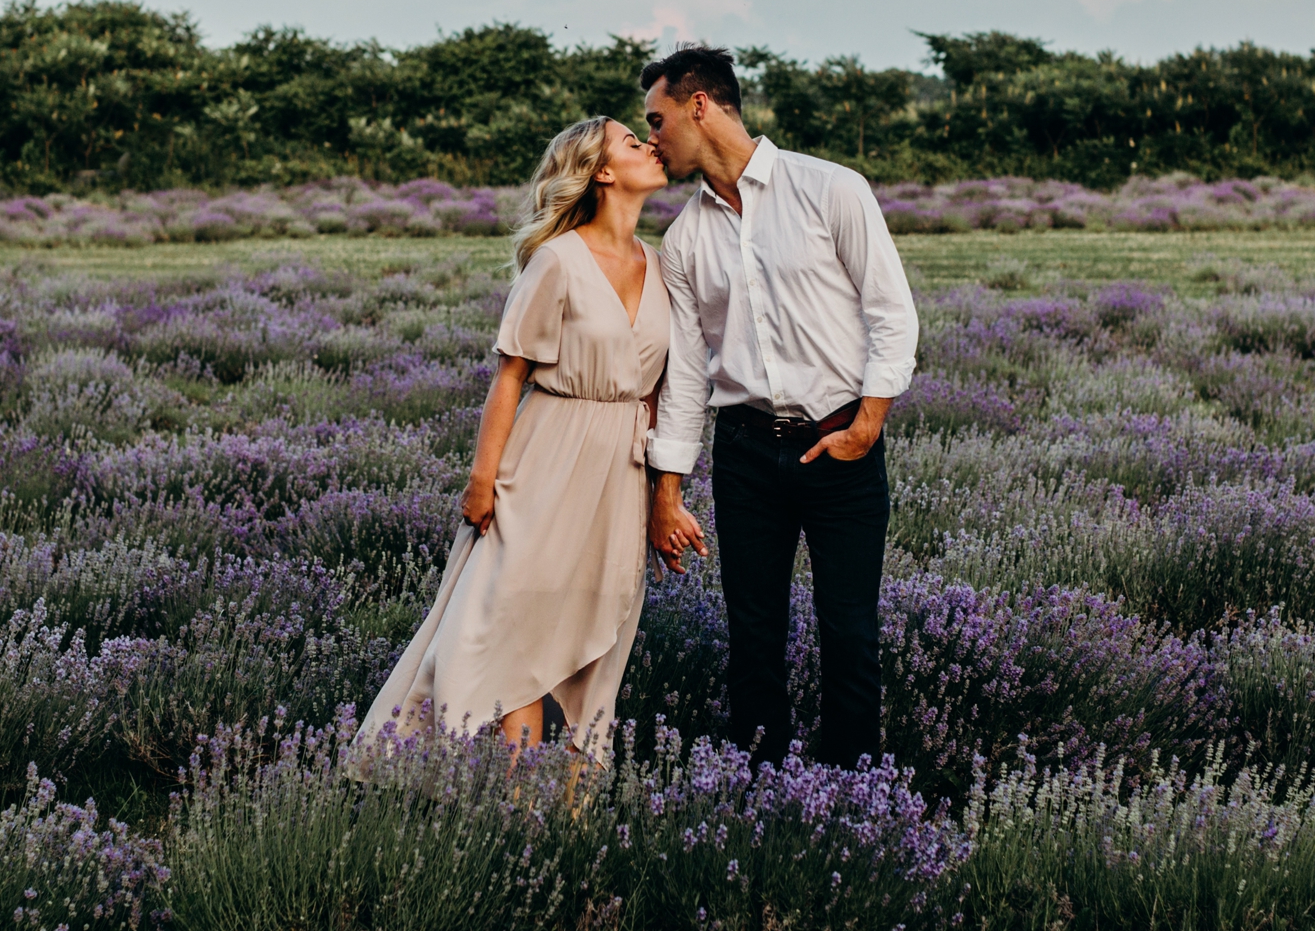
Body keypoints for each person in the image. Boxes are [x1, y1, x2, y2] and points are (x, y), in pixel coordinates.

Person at [358, 115, 673, 763]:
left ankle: (574, 816)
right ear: (603, 172)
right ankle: (521, 804)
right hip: (545, 460)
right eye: (633, 142)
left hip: (621, 471)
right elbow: (510, 377)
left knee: (599, 636)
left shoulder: (662, 263)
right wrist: (481, 483)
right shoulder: (558, 260)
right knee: (516, 628)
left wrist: (664, 491)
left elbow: (658, 393)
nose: (651, 147)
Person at [640, 46, 919, 768]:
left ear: (700, 106)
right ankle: (759, 787)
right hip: (744, 454)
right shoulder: (682, 239)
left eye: (659, 119)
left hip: (841, 444)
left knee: (850, 631)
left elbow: (892, 315)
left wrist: (867, 425)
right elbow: (686, 378)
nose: (653, 138)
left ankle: (856, 788)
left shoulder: (831, 189)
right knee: (753, 633)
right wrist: (666, 492)